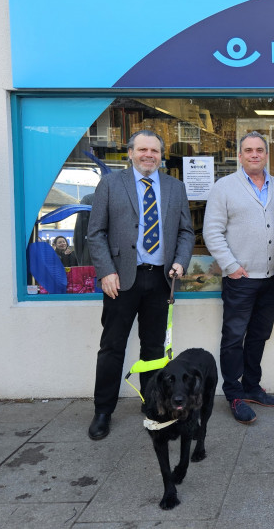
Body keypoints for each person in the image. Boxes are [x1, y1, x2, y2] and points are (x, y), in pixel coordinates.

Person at [87, 130, 194, 440]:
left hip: (161, 279)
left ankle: (153, 405)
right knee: (112, 347)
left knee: (154, 350)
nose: (150, 155)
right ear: (130, 152)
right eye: (143, 149)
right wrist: (106, 271)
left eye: (155, 151)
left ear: (162, 155)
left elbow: (187, 232)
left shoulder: (175, 187)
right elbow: (95, 233)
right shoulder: (110, 184)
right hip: (121, 279)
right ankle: (103, 410)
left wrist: (181, 261)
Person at [203, 131, 274, 425]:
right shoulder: (224, 187)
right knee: (234, 337)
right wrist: (231, 266)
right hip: (240, 277)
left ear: (266, 154)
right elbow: (212, 232)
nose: (254, 154)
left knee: (260, 335)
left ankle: (252, 386)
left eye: (259, 150)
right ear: (240, 156)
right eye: (248, 150)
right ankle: (234, 392)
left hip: (272, 277)